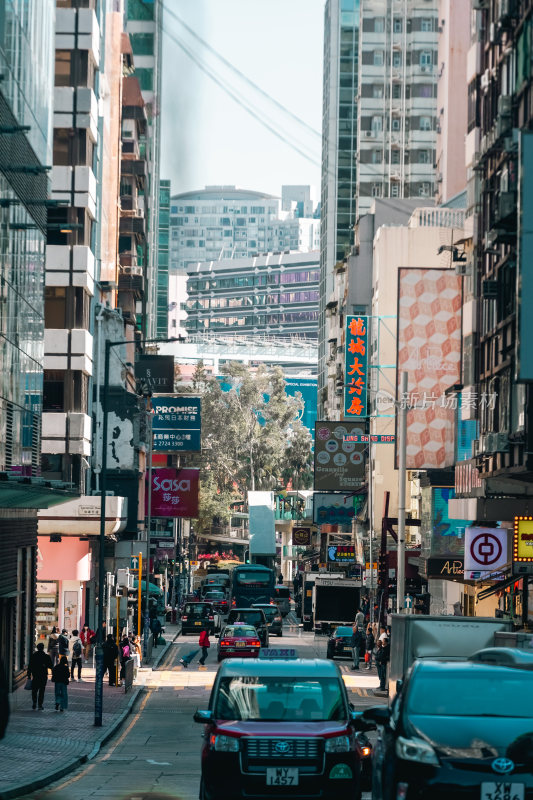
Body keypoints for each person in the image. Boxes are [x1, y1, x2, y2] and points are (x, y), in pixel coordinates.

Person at [27, 643, 53, 710]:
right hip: (43, 675)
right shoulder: (46, 656)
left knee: (34, 690)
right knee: (42, 690)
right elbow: (51, 666)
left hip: (35, 675)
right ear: (43, 647)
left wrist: (29, 675)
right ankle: (40, 705)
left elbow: (30, 666)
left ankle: (34, 703)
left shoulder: (33, 656)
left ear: (37, 648)